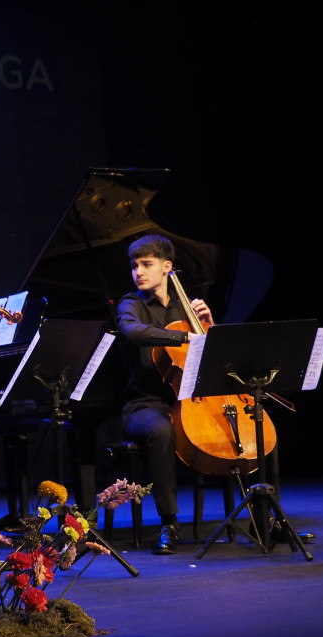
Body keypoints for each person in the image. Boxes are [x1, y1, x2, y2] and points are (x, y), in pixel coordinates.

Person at [115, 234, 214, 555]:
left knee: (250, 417)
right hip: (145, 404)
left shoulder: (187, 306)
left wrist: (208, 327)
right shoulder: (131, 304)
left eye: (147, 264)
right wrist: (184, 336)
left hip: (187, 401)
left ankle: (262, 512)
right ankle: (169, 522)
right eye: (134, 266)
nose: (138, 272)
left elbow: (211, 355)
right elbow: (133, 331)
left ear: (167, 267)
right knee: (161, 430)